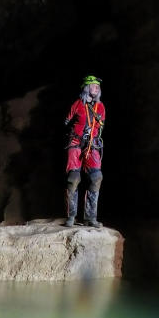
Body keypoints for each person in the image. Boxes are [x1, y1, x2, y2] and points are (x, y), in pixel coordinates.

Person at [64, 75, 105, 227]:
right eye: (93, 85)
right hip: (75, 143)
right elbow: (66, 122)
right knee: (73, 178)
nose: (96, 88)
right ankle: (71, 216)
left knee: (96, 177)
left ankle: (90, 217)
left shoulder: (100, 107)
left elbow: (100, 126)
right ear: (86, 88)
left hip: (92, 145)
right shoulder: (77, 105)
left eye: (97, 86)